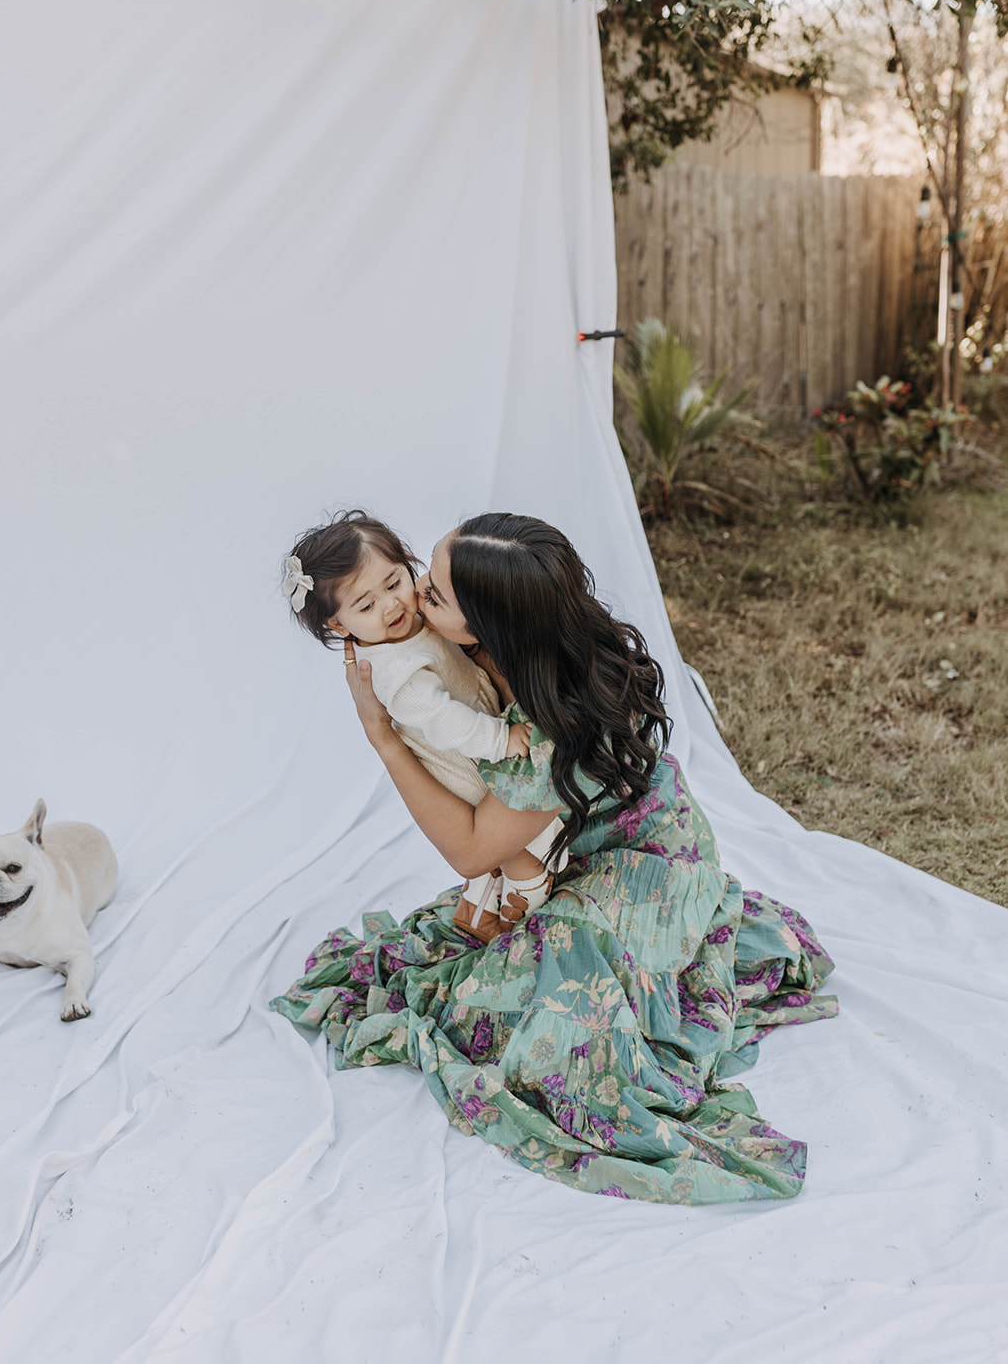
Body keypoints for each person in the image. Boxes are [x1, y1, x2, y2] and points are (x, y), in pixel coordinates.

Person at [271, 513, 838, 1204]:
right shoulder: (486, 652)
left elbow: (468, 848)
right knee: (483, 944)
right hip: (578, 843)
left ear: (488, 622)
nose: (413, 599)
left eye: (430, 591)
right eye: (427, 577)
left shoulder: (545, 721)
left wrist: (381, 739)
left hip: (643, 862)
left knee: (543, 996)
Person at [281, 510, 565, 936]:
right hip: (464, 761)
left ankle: (479, 905)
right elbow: (445, 722)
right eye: (367, 604)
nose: (391, 605)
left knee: (499, 845)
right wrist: (502, 740)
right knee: (523, 844)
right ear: (339, 624)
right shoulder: (397, 672)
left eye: (394, 583)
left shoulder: (408, 627)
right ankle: (524, 895)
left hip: (471, 739)